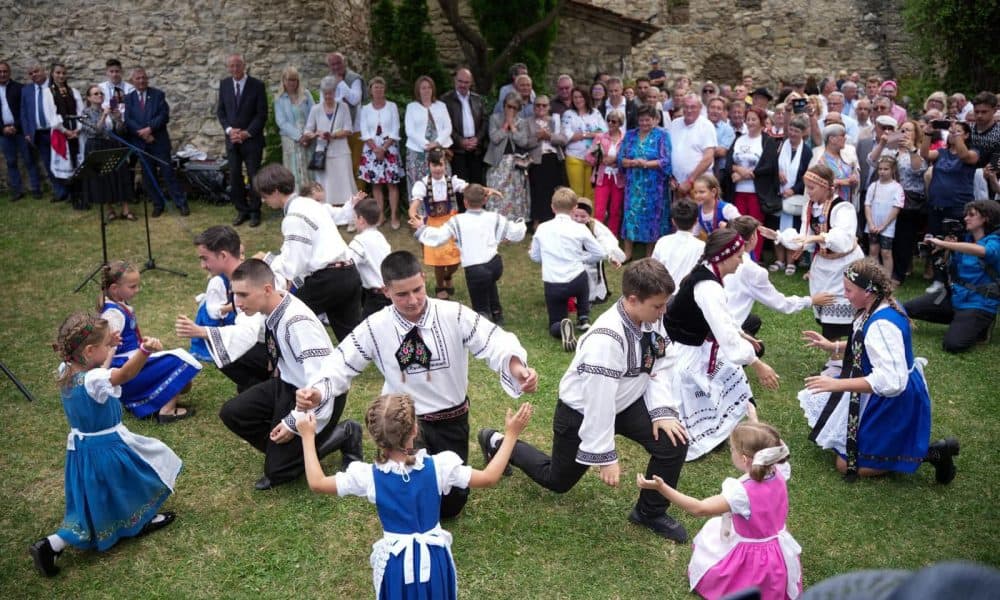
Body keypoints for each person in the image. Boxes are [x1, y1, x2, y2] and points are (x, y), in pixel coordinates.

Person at [296, 249, 538, 519]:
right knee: (411, 496)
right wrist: (318, 391)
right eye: (402, 294)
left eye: (417, 289)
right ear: (386, 291)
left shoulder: (454, 314)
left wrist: (517, 368)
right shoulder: (375, 327)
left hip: (451, 418)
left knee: (450, 507)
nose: (412, 300)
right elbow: (340, 362)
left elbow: (493, 340)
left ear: (423, 278)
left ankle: (488, 441)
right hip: (402, 424)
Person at [479, 258, 690, 542]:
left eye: (664, 303)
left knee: (673, 443)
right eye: (658, 305)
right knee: (558, 480)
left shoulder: (651, 315)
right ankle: (496, 441)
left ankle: (649, 512)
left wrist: (661, 412)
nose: (664, 311)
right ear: (632, 299)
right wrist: (605, 456)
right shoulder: (606, 340)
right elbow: (598, 403)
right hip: (582, 411)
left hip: (627, 401)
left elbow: (660, 362)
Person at [298, 393, 532, 599]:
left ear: (375, 437)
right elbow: (490, 477)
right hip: (435, 558)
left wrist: (308, 438)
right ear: (415, 429)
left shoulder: (368, 476)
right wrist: (511, 434)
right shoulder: (439, 467)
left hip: (397, 565)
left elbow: (317, 483)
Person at [29, 313, 182, 577]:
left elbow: (99, 373)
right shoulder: (94, 379)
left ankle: (55, 544)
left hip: (83, 450)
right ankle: (57, 542)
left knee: (98, 496)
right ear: (89, 351)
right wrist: (144, 350)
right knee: (138, 477)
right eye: (102, 345)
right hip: (107, 447)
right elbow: (122, 375)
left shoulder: (67, 370)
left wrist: (108, 347)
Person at [800, 258, 959, 484]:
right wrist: (833, 346)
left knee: (846, 465)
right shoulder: (878, 304)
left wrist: (837, 384)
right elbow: (866, 345)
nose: (845, 295)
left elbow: (891, 382)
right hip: (878, 391)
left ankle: (934, 453)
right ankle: (896, 446)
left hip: (894, 398)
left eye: (849, 290)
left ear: (867, 291)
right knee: (846, 453)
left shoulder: (882, 325)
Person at [215, 259, 363, 490]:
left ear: (266, 289)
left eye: (243, 295)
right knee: (232, 413)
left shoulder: (297, 322)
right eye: (236, 294)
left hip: (315, 395)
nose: (238, 302)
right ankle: (286, 451)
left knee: (277, 471)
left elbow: (322, 382)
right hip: (287, 383)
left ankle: (344, 432)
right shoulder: (273, 304)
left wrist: (293, 422)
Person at [637, 422, 802, 600]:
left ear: (744, 459)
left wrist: (662, 488)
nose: (731, 452)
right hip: (775, 550)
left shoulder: (742, 493)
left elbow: (698, 508)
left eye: (733, 449)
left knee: (737, 578)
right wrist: (756, 423)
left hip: (751, 553)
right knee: (768, 585)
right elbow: (771, 445)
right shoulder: (779, 469)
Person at [664, 229, 780, 459]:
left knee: (734, 375)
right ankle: (717, 432)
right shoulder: (707, 286)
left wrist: (741, 334)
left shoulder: (709, 275)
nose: (741, 261)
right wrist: (757, 364)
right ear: (723, 256)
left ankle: (753, 428)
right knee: (708, 382)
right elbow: (724, 334)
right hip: (683, 349)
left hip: (698, 343)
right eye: (739, 256)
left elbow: (722, 319)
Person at [255, 164, 362, 342]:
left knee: (285, 317)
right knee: (353, 342)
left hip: (328, 280)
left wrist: (267, 259)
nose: (264, 201)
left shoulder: (294, 217)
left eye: (264, 196)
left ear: (275, 191)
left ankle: (288, 363)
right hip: (349, 273)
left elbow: (294, 263)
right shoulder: (309, 204)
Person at [776, 164, 865, 351]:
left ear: (826, 187)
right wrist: (780, 237)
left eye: (811, 188)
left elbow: (843, 240)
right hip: (825, 265)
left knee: (845, 310)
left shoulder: (843, 208)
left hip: (846, 264)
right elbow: (805, 239)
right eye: (806, 187)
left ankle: (847, 355)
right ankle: (836, 359)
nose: (808, 193)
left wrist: (819, 237)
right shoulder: (809, 207)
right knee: (827, 311)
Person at [99, 261, 201, 422]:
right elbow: (109, 347)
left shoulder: (119, 305)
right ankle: (167, 411)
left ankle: (157, 399)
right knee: (178, 359)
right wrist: (102, 377)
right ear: (114, 288)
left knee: (183, 379)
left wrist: (142, 344)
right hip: (125, 371)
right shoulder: (113, 314)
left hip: (131, 364)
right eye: (132, 286)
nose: (137, 290)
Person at [413, 183, 526, 324]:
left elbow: (438, 237)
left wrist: (421, 228)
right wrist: (521, 224)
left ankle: (485, 322)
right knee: (490, 283)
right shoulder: (494, 217)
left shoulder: (457, 221)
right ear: (485, 201)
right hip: (495, 265)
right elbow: (515, 233)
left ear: (465, 202)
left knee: (480, 304)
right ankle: (497, 314)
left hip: (475, 270)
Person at [176, 225, 271, 392]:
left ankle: (263, 389)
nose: (202, 265)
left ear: (223, 255)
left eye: (205, 258)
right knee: (220, 345)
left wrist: (201, 332)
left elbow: (249, 333)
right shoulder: (243, 276)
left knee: (220, 345)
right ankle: (253, 388)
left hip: (276, 353)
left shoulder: (248, 283)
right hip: (268, 345)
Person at [904, 200, 1000, 353]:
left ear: (986, 218)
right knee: (905, 308)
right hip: (955, 297)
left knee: (953, 344)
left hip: (978, 303)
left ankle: (981, 325)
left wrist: (947, 245)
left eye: (972, 215)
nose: (966, 218)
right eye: (966, 215)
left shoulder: (995, 242)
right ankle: (962, 322)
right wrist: (942, 252)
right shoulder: (965, 240)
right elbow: (950, 270)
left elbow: (984, 251)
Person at [727, 216, 834, 339]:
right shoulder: (752, 270)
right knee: (756, 347)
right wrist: (811, 300)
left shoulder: (715, 256)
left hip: (709, 321)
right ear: (752, 238)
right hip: (726, 330)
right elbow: (781, 304)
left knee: (753, 321)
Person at [530, 187, 608, 350]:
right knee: (583, 282)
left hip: (553, 283)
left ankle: (560, 327)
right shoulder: (579, 228)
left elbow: (535, 257)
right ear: (574, 209)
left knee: (554, 322)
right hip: (576, 280)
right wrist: (582, 257)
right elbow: (600, 253)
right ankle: (583, 316)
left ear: (552, 207)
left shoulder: (542, 228)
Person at [922, 119, 981, 294]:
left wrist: (957, 136)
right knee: (935, 240)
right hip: (936, 204)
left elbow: (964, 156)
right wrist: (927, 133)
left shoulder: (973, 153)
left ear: (967, 135)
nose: (953, 134)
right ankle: (939, 280)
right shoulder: (941, 153)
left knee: (955, 242)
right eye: (952, 131)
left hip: (957, 205)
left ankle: (956, 278)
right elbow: (924, 154)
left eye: (959, 131)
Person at [124, 67, 189, 217]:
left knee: (168, 174)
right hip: (141, 143)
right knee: (148, 177)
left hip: (159, 142)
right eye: (138, 78)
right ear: (132, 81)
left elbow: (164, 116)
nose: (141, 81)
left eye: (144, 78)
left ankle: (181, 203)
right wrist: (143, 133)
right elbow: (128, 120)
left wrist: (150, 129)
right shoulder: (129, 98)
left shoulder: (158, 95)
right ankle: (158, 204)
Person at [722, 106, 781, 260]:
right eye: (748, 119)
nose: (750, 122)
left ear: (761, 122)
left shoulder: (767, 141)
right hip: (738, 192)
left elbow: (768, 166)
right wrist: (737, 169)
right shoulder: (739, 139)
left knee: (755, 226)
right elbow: (728, 163)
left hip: (757, 193)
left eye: (754, 119)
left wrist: (743, 176)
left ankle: (754, 257)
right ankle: (739, 255)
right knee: (738, 224)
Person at [217, 54, 267, 227]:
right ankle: (241, 210)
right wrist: (230, 130)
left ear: (244, 66)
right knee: (235, 176)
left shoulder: (257, 85)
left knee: (254, 176)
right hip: (232, 140)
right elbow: (221, 112)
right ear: (228, 67)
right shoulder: (224, 85)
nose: (235, 69)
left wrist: (247, 133)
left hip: (251, 140)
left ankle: (255, 211)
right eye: (231, 66)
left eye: (238, 65)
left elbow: (262, 114)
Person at [409, 149, 466, 300]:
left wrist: (482, 191)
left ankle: (448, 276)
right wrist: (413, 215)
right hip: (433, 223)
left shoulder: (451, 181)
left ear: (445, 165)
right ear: (429, 165)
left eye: (441, 164)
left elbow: (467, 188)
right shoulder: (422, 184)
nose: (438, 168)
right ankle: (440, 285)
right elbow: (414, 204)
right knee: (439, 261)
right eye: (434, 165)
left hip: (449, 221)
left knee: (456, 259)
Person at [620, 104, 672, 260]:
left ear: (655, 120)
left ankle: (650, 254)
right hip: (633, 184)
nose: (644, 123)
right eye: (641, 120)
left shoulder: (662, 136)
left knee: (652, 217)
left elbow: (666, 160)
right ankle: (627, 253)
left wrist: (646, 164)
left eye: (647, 120)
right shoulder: (630, 135)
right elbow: (620, 158)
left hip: (653, 186)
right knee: (630, 215)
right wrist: (631, 162)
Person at [303, 75, 357, 224]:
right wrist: (316, 134)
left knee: (345, 185)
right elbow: (307, 130)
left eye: (331, 92)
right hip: (323, 153)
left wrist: (332, 135)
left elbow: (348, 129)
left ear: (335, 92)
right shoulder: (316, 109)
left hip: (341, 151)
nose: (328, 96)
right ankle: (328, 219)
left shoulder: (343, 107)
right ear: (322, 92)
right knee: (326, 187)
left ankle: (351, 218)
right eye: (325, 93)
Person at [78, 84, 134, 222]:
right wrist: (104, 115)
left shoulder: (108, 109)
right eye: (96, 94)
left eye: (101, 93)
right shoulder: (85, 113)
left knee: (121, 174)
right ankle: (110, 209)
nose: (99, 96)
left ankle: (126, 209)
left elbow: (120, 131)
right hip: (97, 146)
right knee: (103, 178)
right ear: (89, 98)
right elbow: (95, 131)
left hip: (112, 145)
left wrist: (118, 119)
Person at [358, 77, 404, 228]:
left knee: (392, 184)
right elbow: (364, 131)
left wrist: (383, 148)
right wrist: (375, 148)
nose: (378, 90)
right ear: (370, 90)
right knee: (376, 185)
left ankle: (394, 216)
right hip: (371, 150)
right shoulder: (365, 109)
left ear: (385, 89)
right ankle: (380, 216)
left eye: (381, 87)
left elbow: (395, 128)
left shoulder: (392, 106)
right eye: (375, 87)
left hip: (389, 148)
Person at [889, 119, 928, 285]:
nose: (904, 133)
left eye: (908, 130)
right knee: (890, 237)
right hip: (890, 198)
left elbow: (918, 169)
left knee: (904, 238)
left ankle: (898, 275)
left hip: (909, 200)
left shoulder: (918, 151)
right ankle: (887, 271)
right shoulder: (892, 152)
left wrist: (912, 149)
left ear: (915, 134)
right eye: (902, 130)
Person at [773, 114, 813, 275]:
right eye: (791, 129)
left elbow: (807, 175)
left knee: (792, 229)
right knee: (778, 228)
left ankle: (791, 262)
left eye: (796, 130)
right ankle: (779, 260)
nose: (793, 133)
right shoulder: (781, 146)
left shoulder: (806, 152)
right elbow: (771, 165)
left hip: (795, 196)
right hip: (779, 193)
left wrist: (794, 189)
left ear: (803, 132)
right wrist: (778, 173)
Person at [484, 92, 534, 221]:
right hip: (498, 161)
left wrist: (513, 127)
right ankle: (495, 220)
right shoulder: (494, 118)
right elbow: (494, 138)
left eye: (514, 108)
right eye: (508, 106)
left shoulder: (522, 122)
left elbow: (523, 141)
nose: (510, 110)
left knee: (515, 191)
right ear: (504, 105)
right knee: (497, 189)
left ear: (518, 109)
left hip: (515, 162)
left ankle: (514, 221)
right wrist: (505, 126)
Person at [41, 63, 83, 208]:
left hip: (75, 131)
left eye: (63, 73)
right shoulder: (48, 93)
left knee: (77, 161)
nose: (61, 76)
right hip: (61, 131)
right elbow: (51, 116)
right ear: (52, 74)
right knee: (68, 162)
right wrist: (65, 131)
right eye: (58, 73)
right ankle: (72, 196)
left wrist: (77, 129)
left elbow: (80, 112)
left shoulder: (73, 92)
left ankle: (80, 195)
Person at [21, 61, 63, 200]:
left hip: (56, 131)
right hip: (39, 134)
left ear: (44, 70)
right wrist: (27, 132)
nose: (34, 74)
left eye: (36, 71)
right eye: (31, 73)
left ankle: (71, 190)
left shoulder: (54, 87)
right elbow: (24, 113)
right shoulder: (26, 90)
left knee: (62, 160)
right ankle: (59, 191)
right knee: (48, 163)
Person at [571, 196, 626, 304]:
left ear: (589, 216)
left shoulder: (594, 226)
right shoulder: (569, 225)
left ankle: (594, 295)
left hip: (592, 258)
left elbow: (606, 241)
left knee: (591, 275)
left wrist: (611, 256)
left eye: (583, 216)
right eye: (576, 216)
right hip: (575, 257)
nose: (579, 219)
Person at [324, 52, 367, 189]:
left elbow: (355, 99)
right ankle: (344, 201)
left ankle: (360, 201)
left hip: (355, 129)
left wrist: (341, 83)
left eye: (338, 63)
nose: (336, 67)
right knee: (341, 168)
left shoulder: (354, 78)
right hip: (336, 131)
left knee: (357, 166)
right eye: (333, 64)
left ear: (344, 62)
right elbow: (324, 103)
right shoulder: (326, 81)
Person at [404, 75, 453, 194]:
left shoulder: (441, 106)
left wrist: (436, 143)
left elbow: (448, 127)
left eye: (429, 87)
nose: (426, 90)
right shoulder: (411, 107)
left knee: (442, 183)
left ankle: (443, 211)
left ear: (433, 89)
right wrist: (426, 144)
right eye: (423, 88)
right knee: (419, 185)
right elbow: (409, 130)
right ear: (418, 90)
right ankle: (419, 211)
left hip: (438, 150)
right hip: (417, 152)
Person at [440, 68, 488, 189]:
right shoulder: (446, 100)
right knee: (460, 186)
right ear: (455, 81)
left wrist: (477, 139)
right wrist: (460, 141)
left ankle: (476, 208)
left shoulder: (478, 99)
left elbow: (485, 121)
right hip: (457, 151)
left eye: (466, 82)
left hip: (476, 149)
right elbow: (444, 125)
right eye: (460, 81)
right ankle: (461, 208)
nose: (463, 85)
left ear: (471, 83)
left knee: (476, 185)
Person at [0, 60, 41, 201]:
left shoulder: (19, 88)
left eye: (5, 71)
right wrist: (3, 128)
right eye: (0, 71)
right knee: (11, 162)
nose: (2, 74)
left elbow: (25, 111)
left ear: (9, 72)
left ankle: (36, 189)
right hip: (3, 133)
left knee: (29, 160)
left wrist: (15, 126)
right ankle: (17, 191)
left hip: (21, 130)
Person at [526, 94, 567, 228]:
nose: (541, 108)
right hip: (537, 160)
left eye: (544, 105)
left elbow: (563, 139)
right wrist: (538, 138)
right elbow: (524, 143)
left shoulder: (555, 121)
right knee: (537, 191)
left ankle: (553, 220)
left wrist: (548, 136)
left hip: (554, 158)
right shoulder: (527, 122)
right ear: (533, 107)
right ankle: (536, 221)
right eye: (538, 105)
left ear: (549, 107)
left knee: (553, 191)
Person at [347, 197, 393, 318]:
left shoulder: (359, 241)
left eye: (355, 217)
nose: (354, 221)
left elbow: (348, 264)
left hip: (376, 296)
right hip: (389, 291)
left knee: (366, 332)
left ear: (361, 219)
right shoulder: (379, 236)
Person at [562, 85, 607, 200]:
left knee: (590, 192)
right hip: (574, 157)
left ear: (586, 98)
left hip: (592, 158)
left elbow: (604, 132)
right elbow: (568, 135)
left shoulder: (595, 113)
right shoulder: (568, 114)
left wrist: (581, 135)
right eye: (575, 97)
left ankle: (589, 217)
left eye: (581, 97)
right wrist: (591, 134)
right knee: (577, 191)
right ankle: (576, 217)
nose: (578, 100)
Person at [669, 94, 717, 201]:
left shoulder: (707, 126)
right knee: (679, 216)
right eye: (686, 106)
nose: (689, 110)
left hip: (700, 184)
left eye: (693, 107)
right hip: (677, 185)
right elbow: (668, 152)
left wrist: (690, 181)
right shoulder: (674, 124)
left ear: (700, 108)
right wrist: (670, 177)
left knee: (700, 216)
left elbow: (708, 158)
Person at [864, 156, 905, 281]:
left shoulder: (897, 187)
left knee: (886, 252)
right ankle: (874, 278)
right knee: (873, 251)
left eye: (885, 169)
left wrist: (884, 225)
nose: (882, 171)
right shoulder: (873, 186)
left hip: (887, 226)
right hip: (873, 224)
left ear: (892, 170)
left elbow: (896, 207)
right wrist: (870, 223)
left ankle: (886, 279)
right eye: (880, 169)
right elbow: (867, 204)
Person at [273, 65, 314, 190]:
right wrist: (298, 136)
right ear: (284, 81)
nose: (292, 83)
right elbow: (281, 122)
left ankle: (312, 200)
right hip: (290, 139)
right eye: (289, 80)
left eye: (294, 80)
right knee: (294, 170)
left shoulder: (306, 94)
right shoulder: (279, 99)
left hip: (308, 138)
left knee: (309, 170)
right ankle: (295, 199)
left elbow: (314, 114)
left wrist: (308, 134)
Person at [588, 109, 626, 235]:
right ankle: (596, 235)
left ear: (620, 123)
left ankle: (612, 236)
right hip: (602, 176)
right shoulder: (600, 137)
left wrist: (616, 160)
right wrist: (601, 159)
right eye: (608, 120)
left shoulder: (626, 139)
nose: (610, 123)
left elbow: (628, 157)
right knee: (599, 209)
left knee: (615, 210)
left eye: (614, 121)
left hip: (618, 178)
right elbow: (588, 157)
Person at [651, 199, 705, 285]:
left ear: (673, 221)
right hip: (688, 293)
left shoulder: (662, 241)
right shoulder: (702, 247)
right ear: (696, 221)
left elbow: (653, 269)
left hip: (664, 291)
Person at [691, 173, 740, 239]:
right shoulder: (697, 211)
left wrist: (728, 227)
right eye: (695, 192)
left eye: (701, 192)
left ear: (713, 192)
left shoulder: (726, 208)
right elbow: (694, 234)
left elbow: (742, 226)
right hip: (714, 246)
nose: (697, 196)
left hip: (732, 245)